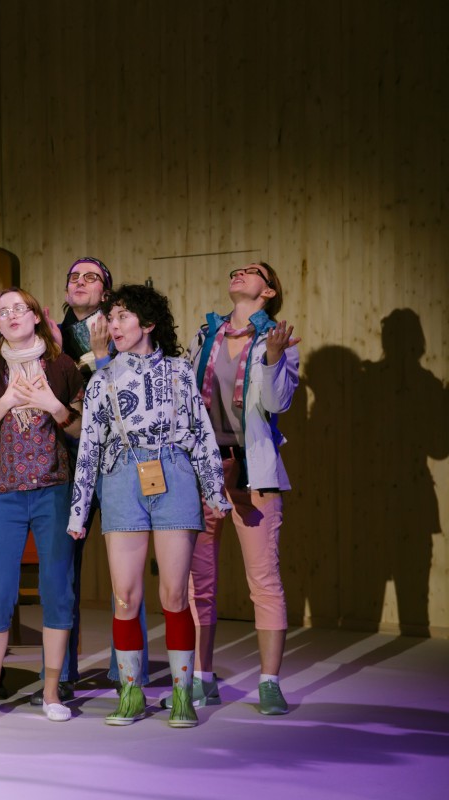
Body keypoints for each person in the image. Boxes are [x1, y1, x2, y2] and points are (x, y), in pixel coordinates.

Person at [67, 284, 230, 728]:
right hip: (121, 477)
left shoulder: (180, 371)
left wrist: (216, 492)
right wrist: (79, 513)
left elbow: (201, 434)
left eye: (122, 316)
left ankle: (182, 695)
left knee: (174, 594)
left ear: (149, 323)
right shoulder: (102, 380)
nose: (113, 325)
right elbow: (89, 450)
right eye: (111, 317)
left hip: (174, 473)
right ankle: (131, 693)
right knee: (125, 596)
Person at [0, 288, 85, 723]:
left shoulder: (62, 365)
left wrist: (52, 405)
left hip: (53, 489)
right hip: (0, 491)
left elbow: (81, 429)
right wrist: (9, 400)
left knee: (57, 589)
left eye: (20, 308)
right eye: (3, 311)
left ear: (36, 316)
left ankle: (52, 691)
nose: (12, 315)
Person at [182, 262, 299, 715]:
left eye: (252, 272)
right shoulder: (205, 336)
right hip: (204, 469)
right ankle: (201, 678)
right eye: (236, 269)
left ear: (268, 291)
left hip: (253, 471)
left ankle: (269, 682)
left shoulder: (277, 340)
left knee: (264, 580)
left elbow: (276, 402)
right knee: (198, 582)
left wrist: (272, 358)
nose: (240, 273)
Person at [47, 258, 151, 703]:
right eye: (74, 276)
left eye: (91, 276)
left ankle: (127, 670)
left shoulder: (124, 330)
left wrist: (100, 354)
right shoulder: (48, 335)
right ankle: (61, 672)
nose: (80, 281)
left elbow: (133, 388)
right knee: (62, 568)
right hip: (64, 458)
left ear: (106, 292)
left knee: (126, 571)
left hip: (118, 459)